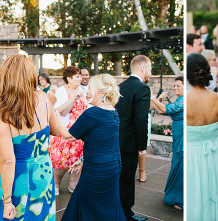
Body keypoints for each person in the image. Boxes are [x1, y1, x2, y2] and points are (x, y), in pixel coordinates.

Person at [0, 54, 67, 220]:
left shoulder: (2, 109)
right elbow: (57, 130)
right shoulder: (43, 98)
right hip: (42, 175)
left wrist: (7, 201)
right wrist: (50, 104)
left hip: (15, 180)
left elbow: (8, 160)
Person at [60, 74, 126, 221]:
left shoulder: (93, 113)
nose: (87, 92)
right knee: (106, 207)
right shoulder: (113, 111)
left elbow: (69, 136)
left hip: (97, 170)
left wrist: (54, 115)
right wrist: (83, 159)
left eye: (89, 88)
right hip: (112, 167)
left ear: (98, 91)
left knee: (89, 206)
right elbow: (106, 142)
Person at [185, 52, 218, 221]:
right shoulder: (217, 98)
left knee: (195, 196)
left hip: (192, 157)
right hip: (215, 154)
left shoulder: (184, 101)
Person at [115, 55, 155, 221]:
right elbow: (141, 120)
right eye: (150, 69)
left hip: (115, 140)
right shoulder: (142, 88)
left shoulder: (119, 87)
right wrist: (142, 145)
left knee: (117, 179)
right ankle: (126, 214)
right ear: (143, 68)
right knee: (127, 182)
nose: (150, 73)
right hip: (130, 143)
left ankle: (115, 211)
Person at [50, 66, 88, 194]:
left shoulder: (81, 90)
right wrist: (73, 98)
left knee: (76, 158)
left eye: (80, 76)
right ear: (68, 78)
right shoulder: (62, 91)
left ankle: (73, 185)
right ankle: (55, 184)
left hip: (80, 132)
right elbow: (60, 111)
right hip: (65, 131)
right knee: (61, 160)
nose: (80, 78)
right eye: (77, 76)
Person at [151, 76, 184, 210]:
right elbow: (159, 110)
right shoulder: (179, 100)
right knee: (176, 163)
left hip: (183, 134)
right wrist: (158, 98)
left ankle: (180, 198)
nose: (175, 87)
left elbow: (164, 109)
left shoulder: (184, 100)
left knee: (180, 164)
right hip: (177, 135)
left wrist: (152, 97)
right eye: (174, 85)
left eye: (178, 85)